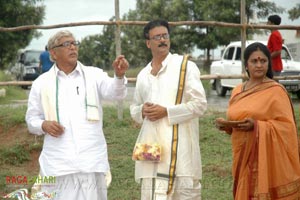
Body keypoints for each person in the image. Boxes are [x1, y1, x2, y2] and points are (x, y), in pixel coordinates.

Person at [25, 30, 129, 200]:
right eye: (66, 44)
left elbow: (116, 94)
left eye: (74, 43)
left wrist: (119, 76)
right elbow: (31, 119)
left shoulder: (94, 75)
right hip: (58, 163)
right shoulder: (41, 83)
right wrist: (43, 125)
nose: (73, 47)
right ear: (53, 53)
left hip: (91, 160)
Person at [130, 19, 207, 200]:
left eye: (165, 36)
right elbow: (133, 108)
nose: (162, 40)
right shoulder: (143, 75)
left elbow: (200, 104)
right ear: (148, 43)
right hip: (151, 151)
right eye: (157, 37)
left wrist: (167, 112)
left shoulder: (185, 66)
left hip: (182, 153)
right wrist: (142, 111)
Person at [215, 42, 300, 199]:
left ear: (269, 63)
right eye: (254, 61)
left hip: (264, 160)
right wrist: (226, 126)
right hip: (241, 154)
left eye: (263, 61)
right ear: (246, 64)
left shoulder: (276, 91)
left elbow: (288, 129)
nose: (259, 65)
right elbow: (235, 119)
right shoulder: (237, 91)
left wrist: (258, 126)